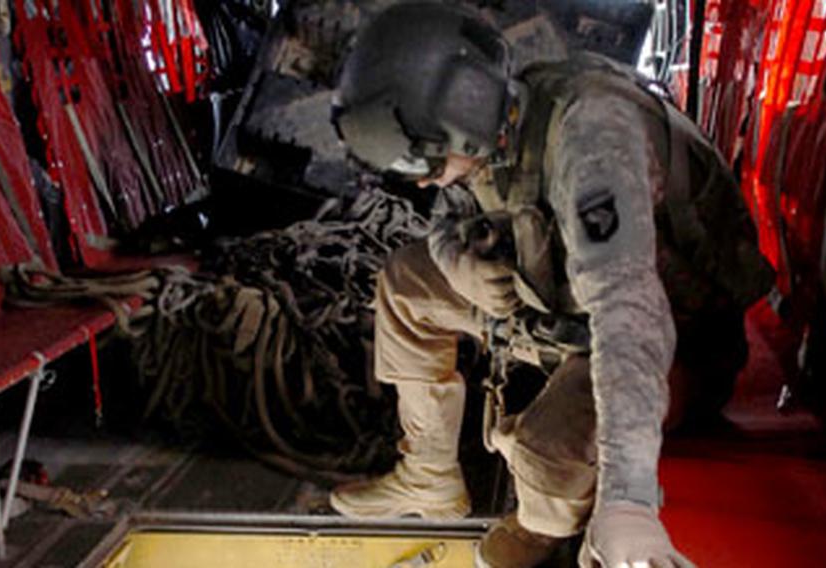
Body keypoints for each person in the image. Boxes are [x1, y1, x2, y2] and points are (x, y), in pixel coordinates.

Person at [327, 3, 774, 567]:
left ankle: (541, 525)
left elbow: (629, 317)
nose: (425, 180)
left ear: (459, 120)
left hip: (669, 342)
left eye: (427, 166)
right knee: (405, 284)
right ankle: (428, 475)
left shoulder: (592, 140)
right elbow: (449, 211)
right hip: (566, 306)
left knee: (546, 453)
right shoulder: (498, 117)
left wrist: (628, 503)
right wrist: (458, 262)